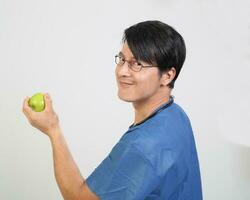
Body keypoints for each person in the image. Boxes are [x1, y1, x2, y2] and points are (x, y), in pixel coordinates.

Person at [22, 20, 203, 200]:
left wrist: (53, 130)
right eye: (122, 59)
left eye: (137, 64)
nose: (122, 71)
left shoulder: (143, 145)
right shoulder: (176, 114)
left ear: (167, 75)